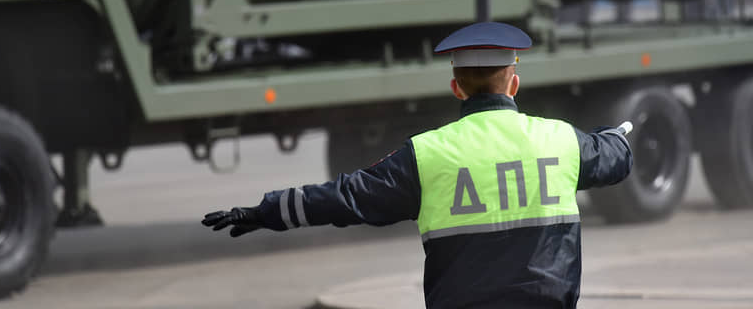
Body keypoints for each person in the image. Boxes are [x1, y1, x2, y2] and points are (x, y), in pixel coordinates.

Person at [202, 21, 633, 308]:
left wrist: (269, 211)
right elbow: (614, 159)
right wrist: (614, 135)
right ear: (514, 82)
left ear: (456, 87)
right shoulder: (560, 139)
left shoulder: (427, 154)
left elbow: (346, 198)